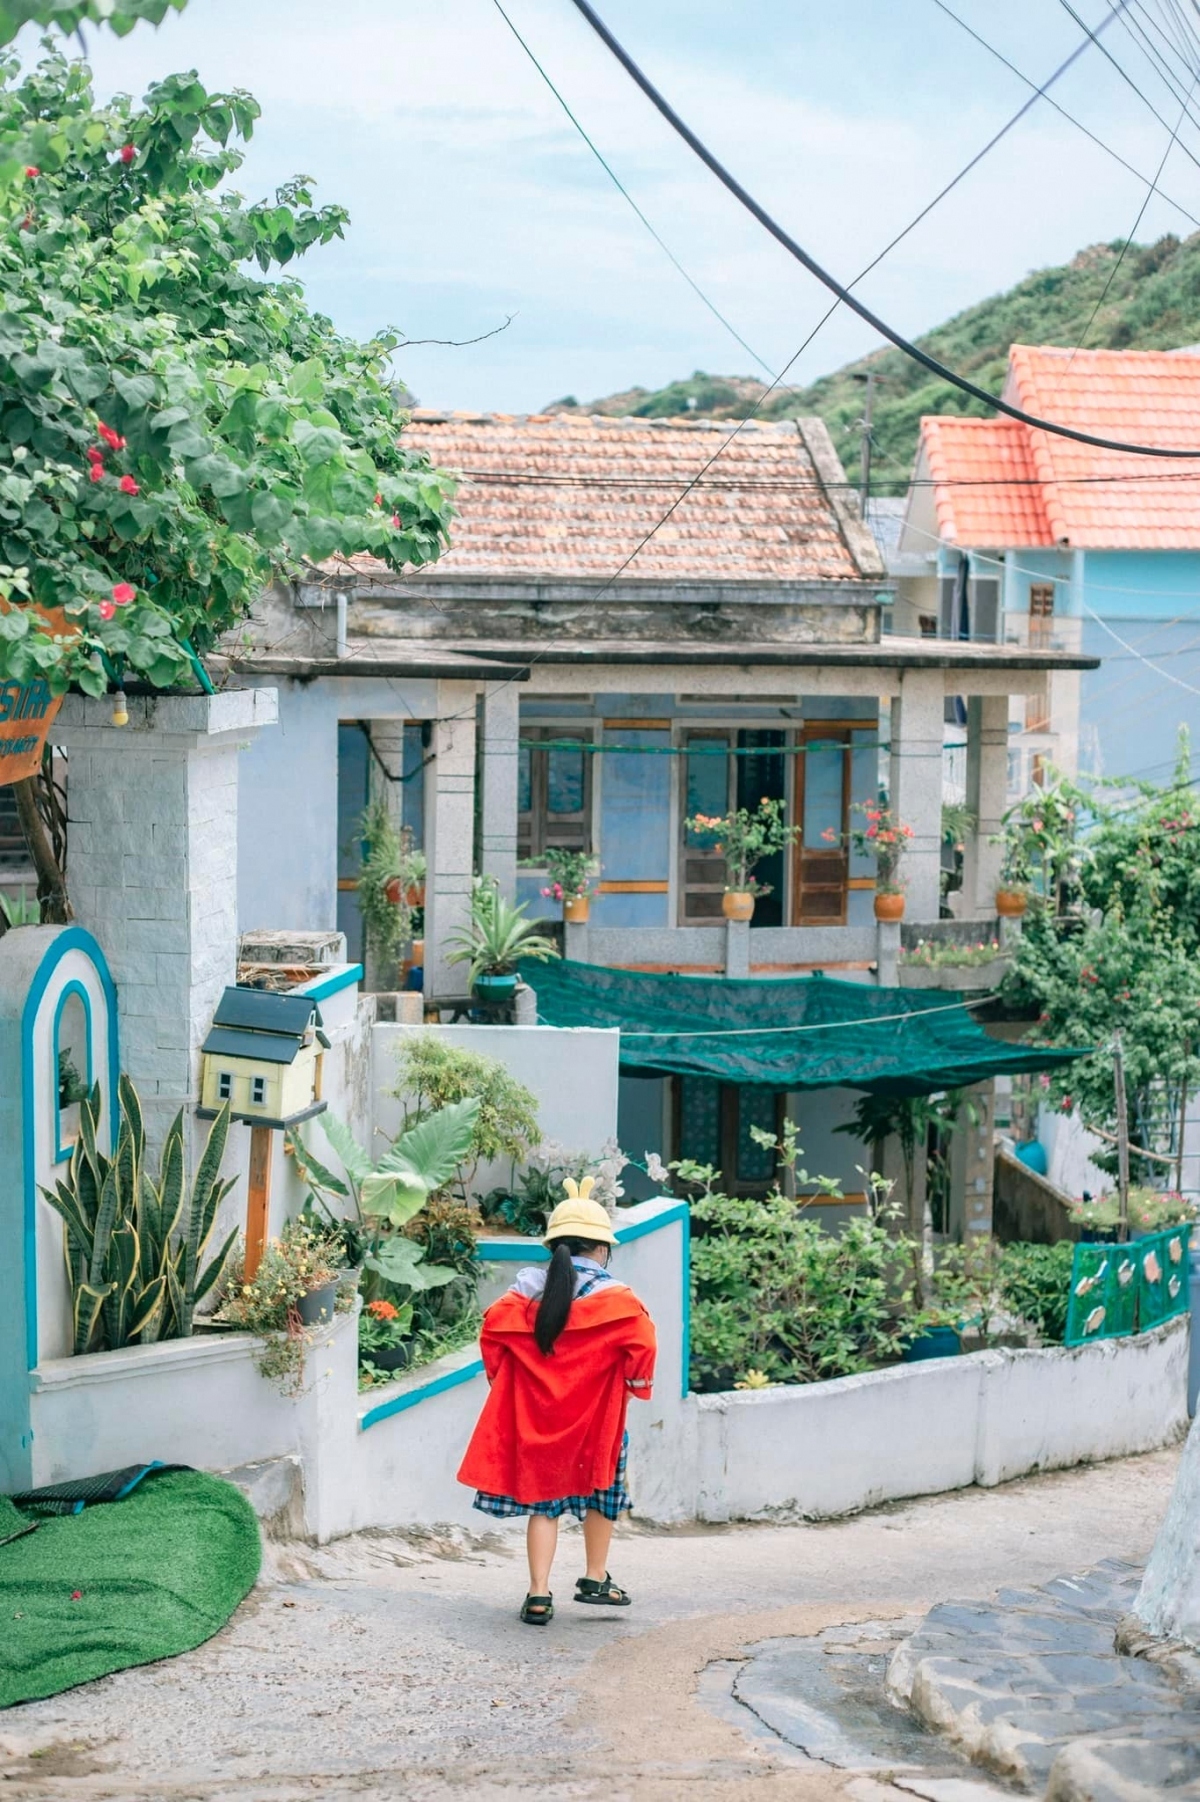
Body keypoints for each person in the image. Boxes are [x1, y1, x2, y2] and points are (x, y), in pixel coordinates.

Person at [457, 1180, 657, 1625]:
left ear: (554, 1247)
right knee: (604, 1495)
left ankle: (539, 1594)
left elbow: (491, 1333)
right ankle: (594, 1576)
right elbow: (643, 1345)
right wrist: (634, 1384)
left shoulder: (523, 1296)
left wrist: (506, 1382)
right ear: (603, 1250)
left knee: (544, 1506)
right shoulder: (619, 1301)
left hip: (539, 1421)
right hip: (598, 1421)